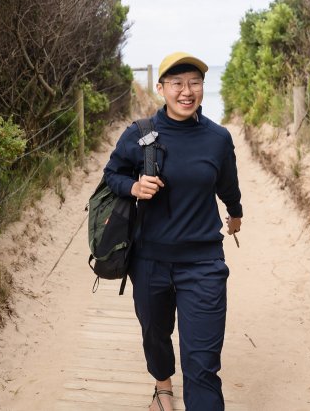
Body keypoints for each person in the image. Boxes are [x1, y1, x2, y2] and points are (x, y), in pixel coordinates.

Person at [103, 51, 243, 411]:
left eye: (194, 82)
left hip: (203, 263)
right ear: (161, 88)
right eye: (177, 83)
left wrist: (235, 213)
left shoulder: (218, 138)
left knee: (202, 364)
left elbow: (228, 183)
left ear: (202, 88)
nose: (186, 91)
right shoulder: (140, 135)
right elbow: (112, 175)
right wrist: (133, 187)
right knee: (155, 334)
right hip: (149, 260)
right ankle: (162, 386)